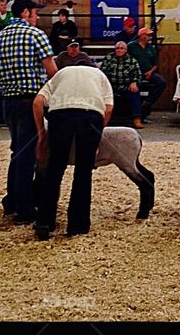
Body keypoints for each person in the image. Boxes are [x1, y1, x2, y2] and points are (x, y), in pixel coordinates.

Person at [0, 0, 58, 224]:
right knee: (28, 155)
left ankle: (11, 201)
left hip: (8, 101)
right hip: (31, 101)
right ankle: (25, 208)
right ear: (26, 12)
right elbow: (52, 71)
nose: (36, 16)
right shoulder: (35, 34)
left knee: (17, 152)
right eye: (35, 12)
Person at [32, 62, 114, 240]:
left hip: (60, 115)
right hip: (90, 115)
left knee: (54, 169)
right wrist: (97, 134)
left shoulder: (62, 72)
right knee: (83, 171)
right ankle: (78, 225)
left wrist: (42, 136)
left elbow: (38, 102)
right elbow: (108, 108)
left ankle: (44, 222)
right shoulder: (100, 75)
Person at [99, 41, 145, 129]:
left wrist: (134, 82)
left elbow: (138, 75)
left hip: (126, 87)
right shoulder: (108, 58)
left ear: (126, 50)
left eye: (121, 48)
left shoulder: (132, 60)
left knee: (135, 93)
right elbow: (102, 73)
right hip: (110, 87)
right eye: (117, 48)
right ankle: (103, 120)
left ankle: (137, 119)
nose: (119, 50)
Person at [127, 27, 167, 121]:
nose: (150, 37)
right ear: (141, 36)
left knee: (162, 82)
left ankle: (147, 103)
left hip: (149, 72)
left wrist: (151, 71)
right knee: (136, 87)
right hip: (135, 73)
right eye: (148, 35)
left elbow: (155, 64)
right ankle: (137, 113)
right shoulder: (131, 46)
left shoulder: (151, 48)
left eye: (150, 35)